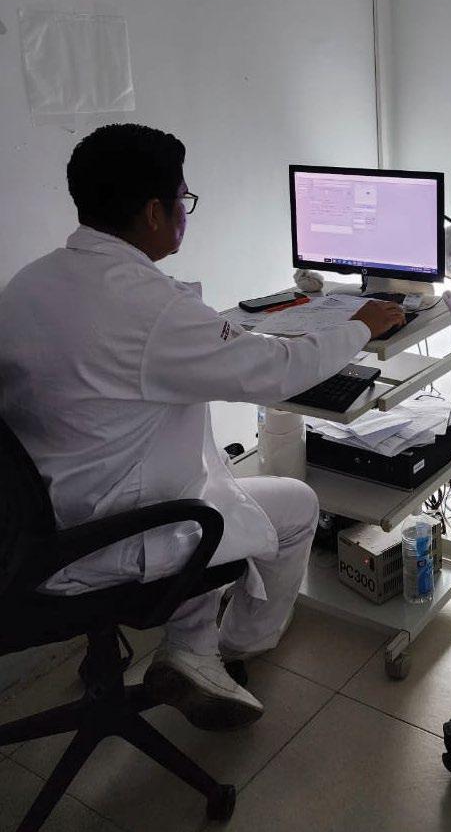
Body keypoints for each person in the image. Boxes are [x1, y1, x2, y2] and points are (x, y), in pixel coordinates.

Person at [0, 124, 405, 730]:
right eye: (183, 200)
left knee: (214, 484)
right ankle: (223, 652)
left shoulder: (28, 285)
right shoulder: (151, 308)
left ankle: (192, 641)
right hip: (116, 536)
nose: (185, 213)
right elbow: (276, 372)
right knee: (295, 505)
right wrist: (362, 326)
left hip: (36, 529)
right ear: (154, 212)